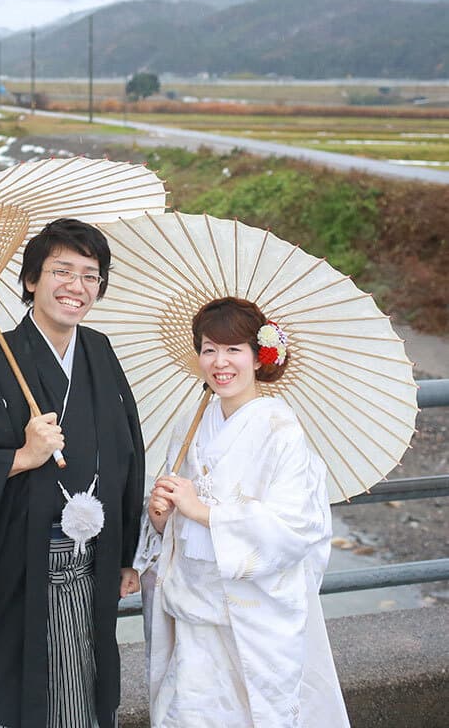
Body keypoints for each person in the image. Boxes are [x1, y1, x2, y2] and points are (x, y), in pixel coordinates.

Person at [0, 218, 145, 728]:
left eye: (91, 275)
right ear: (30, 281)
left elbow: (127, 453)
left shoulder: (100, 353)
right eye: (62, 270)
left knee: (81, 692)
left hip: (91, 564)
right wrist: (20, 456)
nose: (77, 286)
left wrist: (128, 554)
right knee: (6, 696)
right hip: (15, 568)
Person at [135, 296, 349, 728]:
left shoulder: (280, 430)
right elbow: (172, 522)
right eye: (209, 349)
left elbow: (295, 527)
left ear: (259, 357)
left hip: (252, 615)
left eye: (234, 349)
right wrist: (161, 517)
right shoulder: (188, 426)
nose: (220, 362)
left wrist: (203, 512)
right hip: (192, 608)